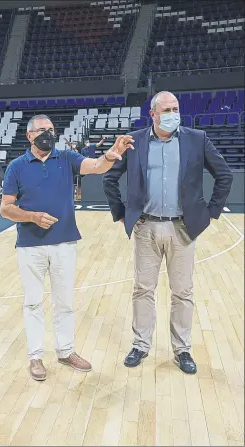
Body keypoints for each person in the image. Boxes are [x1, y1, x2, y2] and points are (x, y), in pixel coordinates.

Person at [103, 91, 233, 374]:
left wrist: (210, 213)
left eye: (175, 108)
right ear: (153, 114)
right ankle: (140, 345)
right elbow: (110, 177)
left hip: (182, 228)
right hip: (146, 227)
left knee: (182, 292)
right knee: (142, 290)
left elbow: (224, 174)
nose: (173, 113)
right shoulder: (134, 141)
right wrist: (123, 213)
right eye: (166, 109)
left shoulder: (197, 139)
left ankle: (182, 349)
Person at [0, 114, 134, 380]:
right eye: (41, 130)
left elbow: (95, 166)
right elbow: (5, 208)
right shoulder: (16, 166)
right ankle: (35, 357)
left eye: (51, 129)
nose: (47, 134)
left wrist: (110, 155)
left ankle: (65, 351)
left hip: (64, 242)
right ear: (29, 135)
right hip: (30, 245)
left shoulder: (66, 158)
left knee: (65, 303)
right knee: (33, 303)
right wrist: (32, 216)